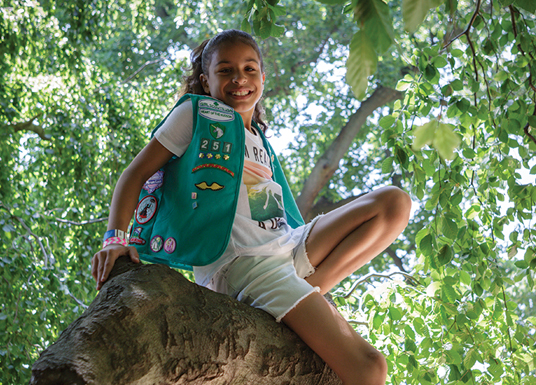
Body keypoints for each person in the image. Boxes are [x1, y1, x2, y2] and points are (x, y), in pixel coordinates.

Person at [91, 29, 411, 385]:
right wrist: (114, 238)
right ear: (205, 80)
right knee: (370, 369)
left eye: (249, 69)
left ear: (262, 76)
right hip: (247, 264)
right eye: (225, 71)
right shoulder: (196, 116)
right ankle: (297, 295)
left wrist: (300, 263)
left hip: (286, 247)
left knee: (393, 203)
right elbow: (134, 175)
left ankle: (312, 287)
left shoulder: (260, 138)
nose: (239, 79)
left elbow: (264, 213)